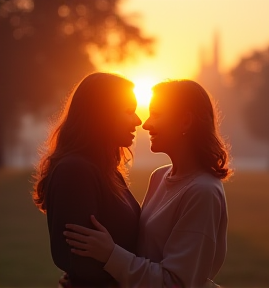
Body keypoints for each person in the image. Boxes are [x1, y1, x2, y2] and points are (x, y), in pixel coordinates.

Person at [63, 79, 233, 288]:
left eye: (157, 114)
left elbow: (175, 283)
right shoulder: (159, 177)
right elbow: (143, 255)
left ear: (185, 122)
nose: (146, 124)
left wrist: (110, 255)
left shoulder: (202, 192)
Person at [32, 72, 142, 287]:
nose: (138, 121)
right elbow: (82, 263)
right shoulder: (75, 170)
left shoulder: (105, 169)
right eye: (128, 111)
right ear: (102, 114)